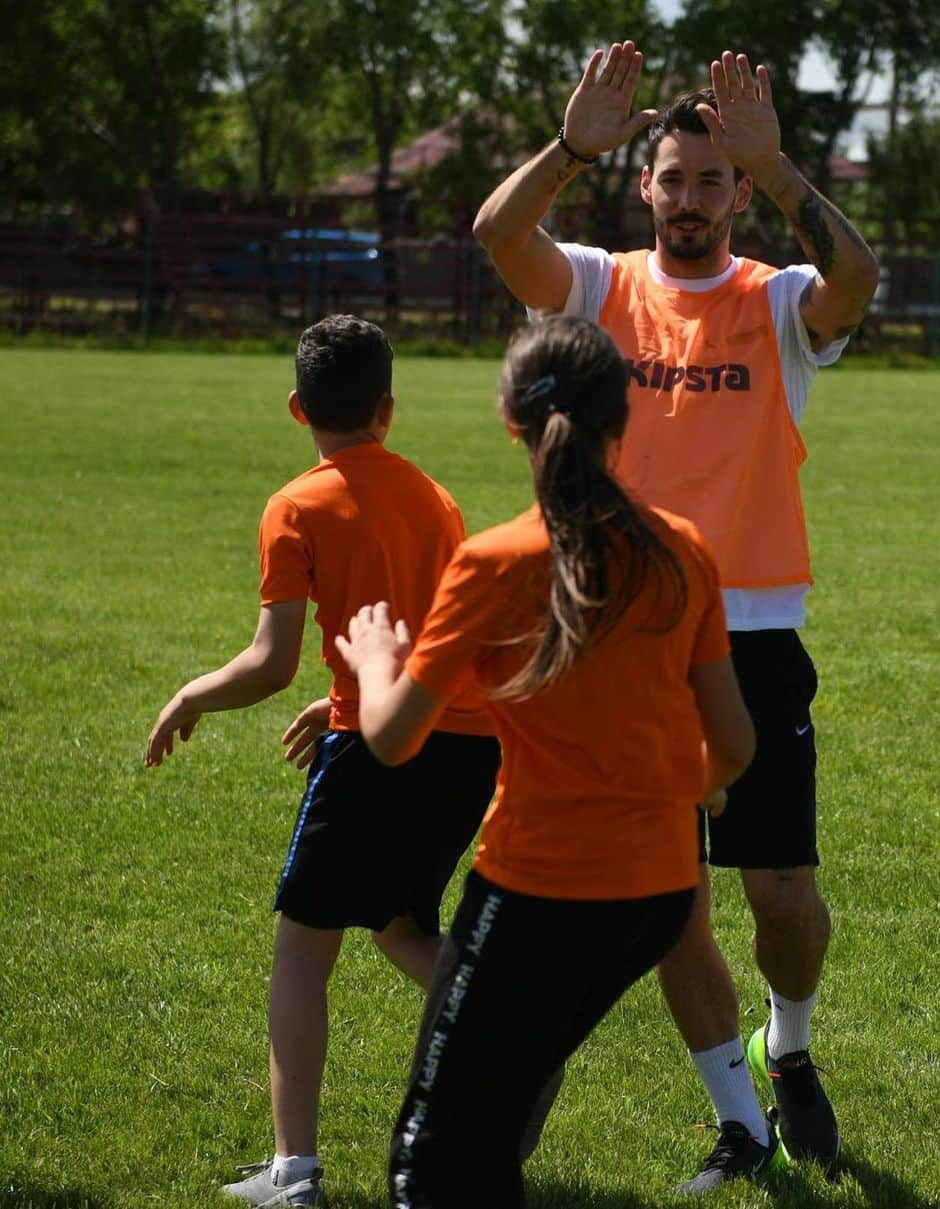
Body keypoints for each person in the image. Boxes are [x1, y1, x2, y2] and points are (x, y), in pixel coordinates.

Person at [472, 40, 879, 1190]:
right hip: (624, 636)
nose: (690, 198)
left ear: (738, 194)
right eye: (672, 178)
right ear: (644, 186)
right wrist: (569, 148)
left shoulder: (781, 298)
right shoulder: (602, 286)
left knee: (784, 897)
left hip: (753, 637)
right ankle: (740, 1122)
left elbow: (860, 282)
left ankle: (788, 1045)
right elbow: (499, 240)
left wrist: (787, 168)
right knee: (675, 904)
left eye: (713, 181)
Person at [332, 314, 756, 1208]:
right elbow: (736, 745)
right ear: (623, 419)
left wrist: (376, 658)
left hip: (538, 893)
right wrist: (698, 783)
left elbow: (395, 737)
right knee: (495, 1105)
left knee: (433, 1154)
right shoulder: (683, 549)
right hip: (658, 893)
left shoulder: (494, 561)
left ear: (510, 421)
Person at [144, 315, 500, 1208]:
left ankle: (293, 1173)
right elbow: (431, 635)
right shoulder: (435, 495)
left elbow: (268, 661)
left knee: (303, 948)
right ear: (387, 407)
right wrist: (342, 687)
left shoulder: (296, 504)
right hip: (462, 741)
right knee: (395, 922)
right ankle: (507, 1037)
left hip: (375, 747)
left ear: (299, 406)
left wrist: (193, 693)